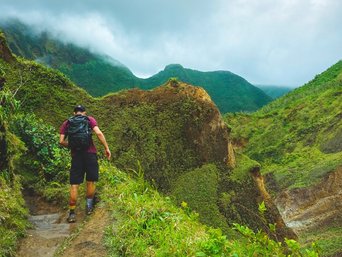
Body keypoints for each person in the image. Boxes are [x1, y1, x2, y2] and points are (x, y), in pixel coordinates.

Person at [59, 105, 111, 223]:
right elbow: (98, 133)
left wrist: (72, 146)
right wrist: (106, 148)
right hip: (90, 154)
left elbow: (61, 141)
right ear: (84, 112)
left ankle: (72, 213)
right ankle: (89, 207)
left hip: (76, 156)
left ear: (74, 113)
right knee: (90, 181)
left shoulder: (67, 123)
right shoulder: (89, 119)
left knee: (74, 184)